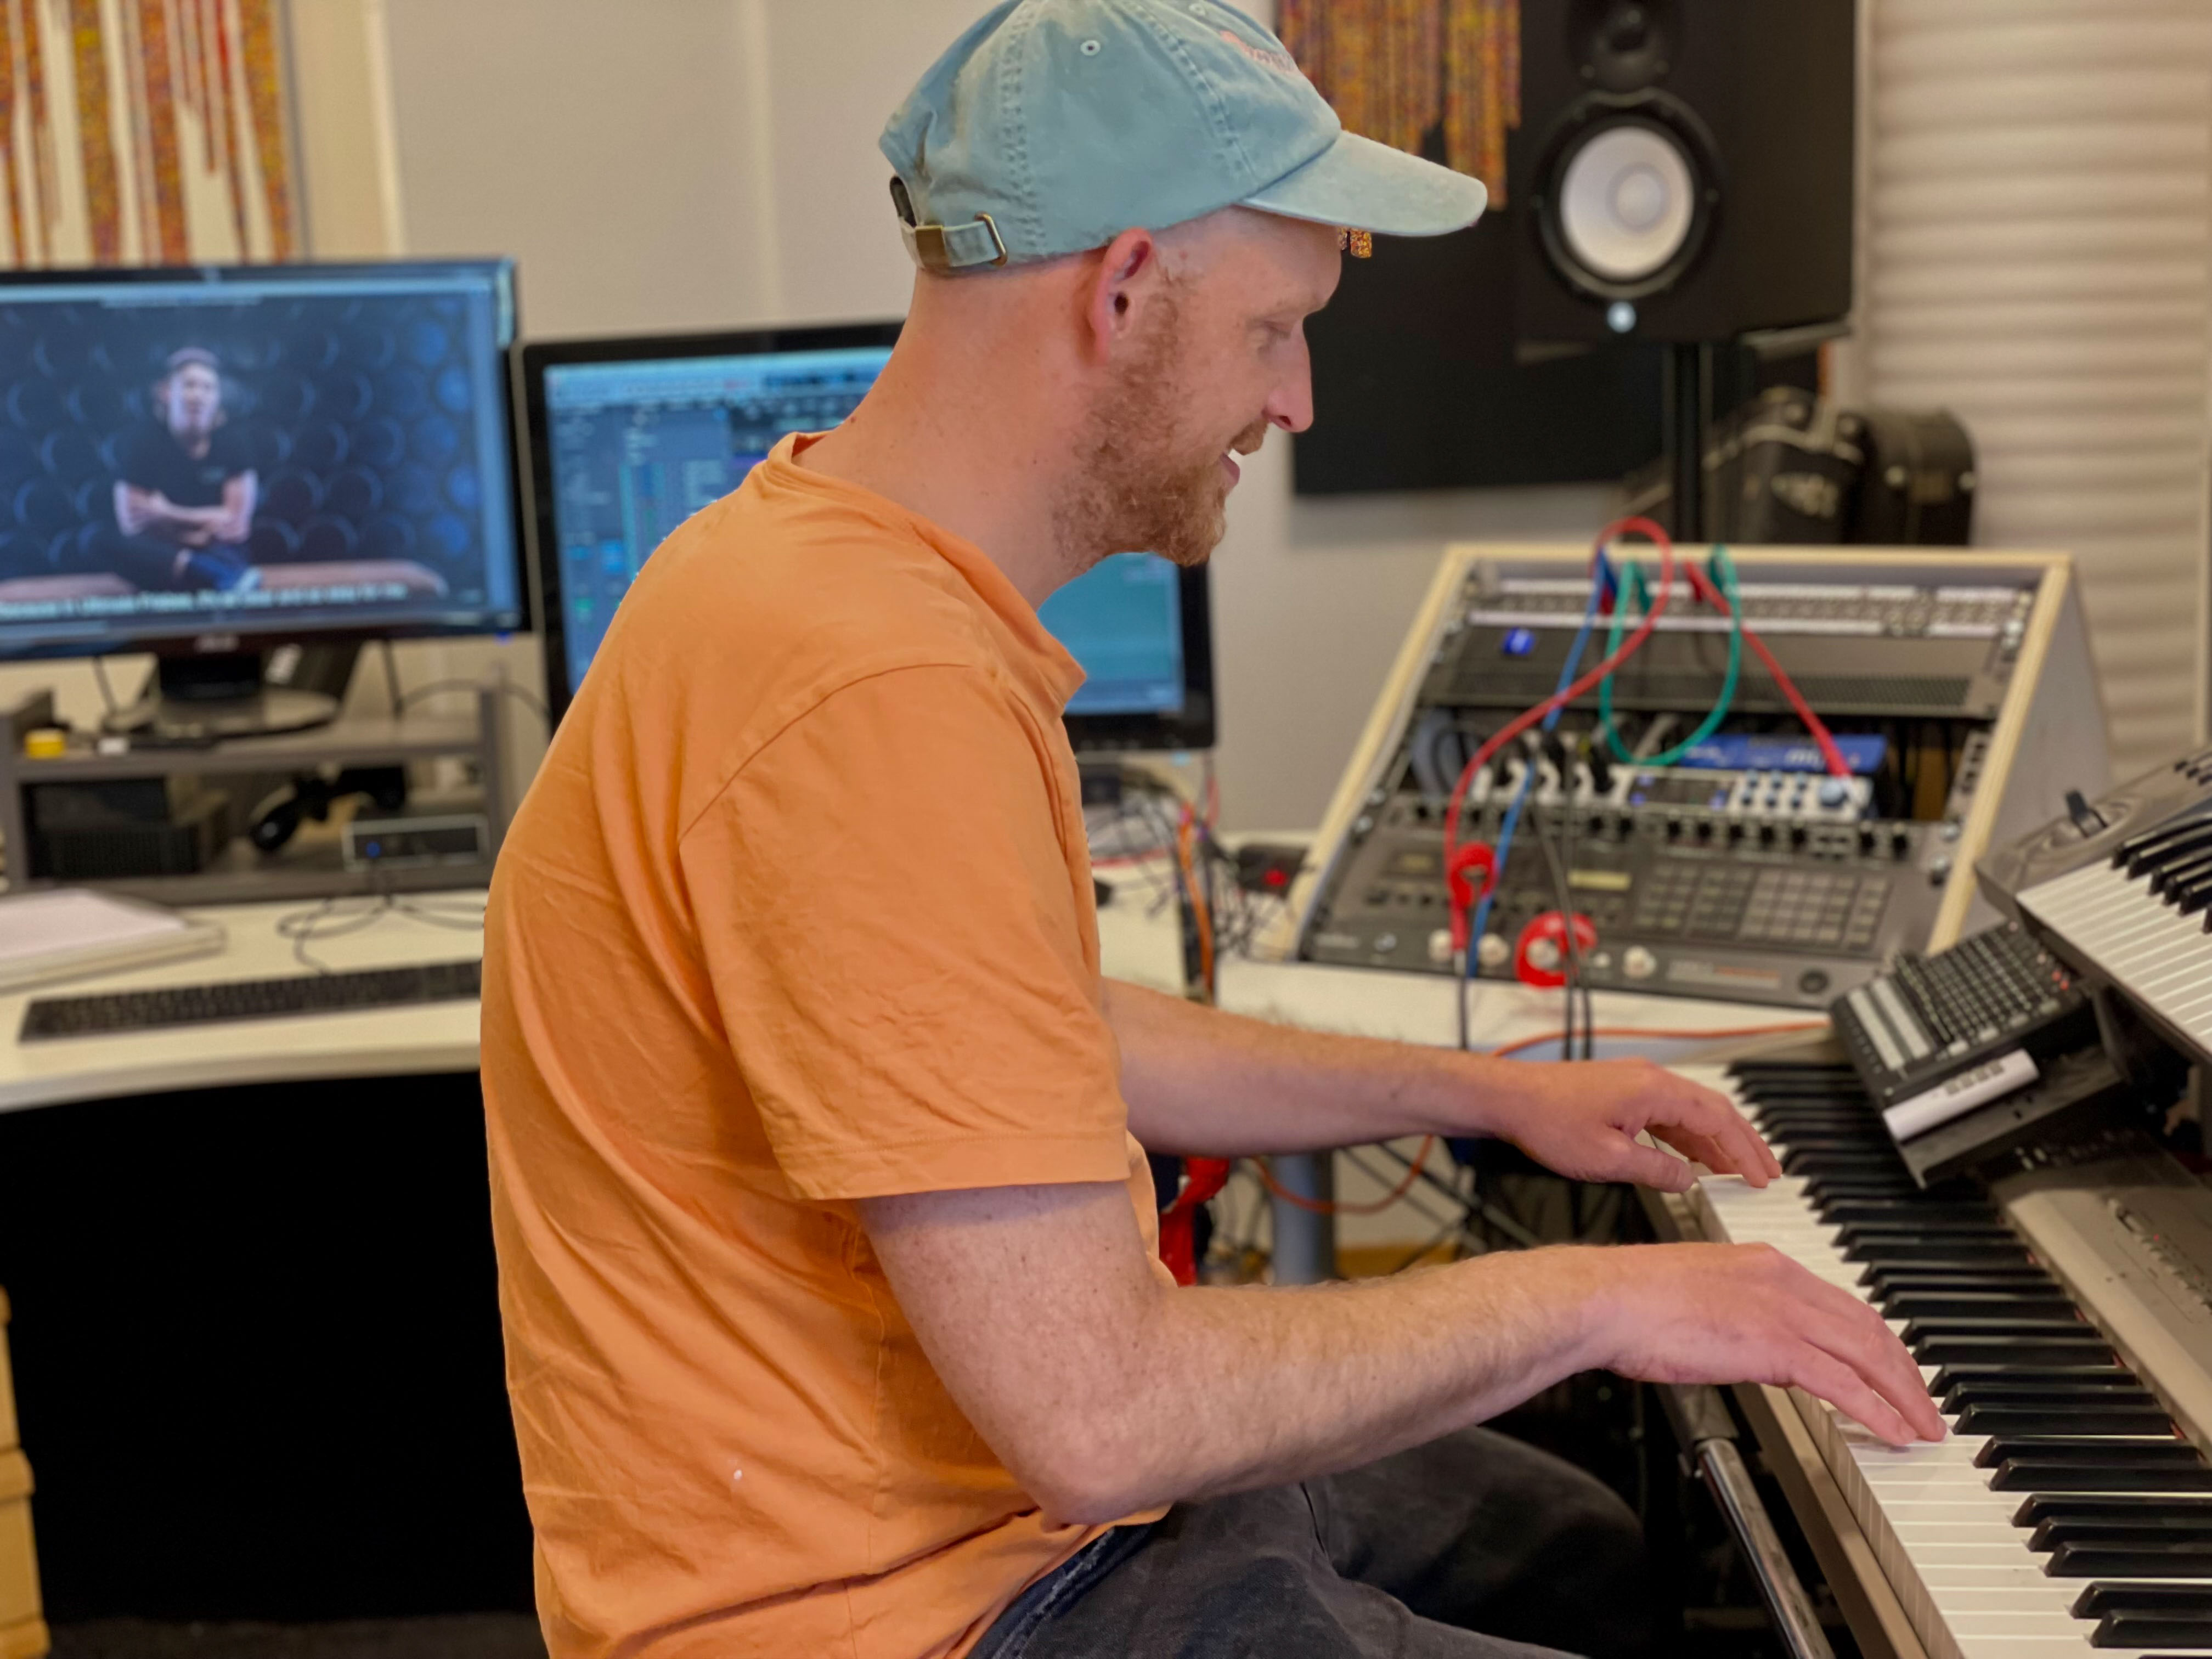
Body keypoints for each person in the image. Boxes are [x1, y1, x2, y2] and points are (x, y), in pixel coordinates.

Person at [479, 5, 1945, 1657]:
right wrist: (1603, 1294)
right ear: (1120, 290)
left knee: (1578, 1545)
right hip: (890, 1617)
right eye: (1276, 329)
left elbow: (1031, 1041)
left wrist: (1484, 1094)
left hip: (997, 1521)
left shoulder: (811, 568)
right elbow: (1101, 1418)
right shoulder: (870, 680)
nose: (1299, 399)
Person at [104, 346, 260, 593]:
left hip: (215, 547)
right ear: (166, 392)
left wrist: (166, 513)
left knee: (233, 548)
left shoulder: (235, 441)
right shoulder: (139, 441)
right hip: (164, 550)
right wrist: (196, 536)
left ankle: (203, 575)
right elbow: (131, 524)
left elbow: (235, 522)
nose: (198, 395)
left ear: (217, 397)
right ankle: (210, 575)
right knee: (104, 542)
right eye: (189, 385)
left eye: (208, 388)